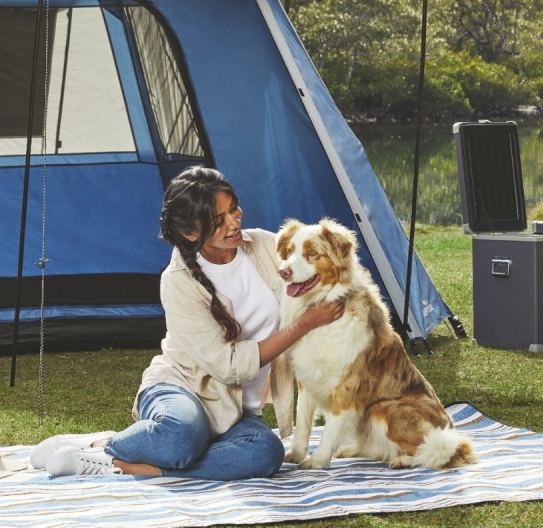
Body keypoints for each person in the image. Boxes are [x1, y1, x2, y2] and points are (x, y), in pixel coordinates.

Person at [30, 166, 344, 479]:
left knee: (264, 453)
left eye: (233, 209)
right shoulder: (178, 281)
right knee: (181, 436)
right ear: (192, 233)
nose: (234, 222)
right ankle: (106, 446)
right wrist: (302, 325)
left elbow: (318, 268)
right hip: (180, 389)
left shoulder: (263, 246)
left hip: (238, 411)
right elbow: (229, 366)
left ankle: (139, 466)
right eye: (219, 221)